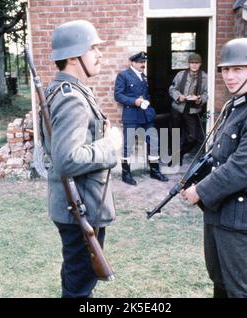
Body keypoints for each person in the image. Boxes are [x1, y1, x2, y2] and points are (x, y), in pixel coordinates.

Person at [180, 38, 247, 298]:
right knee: (220, 282)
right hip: (216, 211)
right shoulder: (233, 106)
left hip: (239, 214)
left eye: (237, 69)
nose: (229, 76)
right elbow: (218, 156)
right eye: (226, 69)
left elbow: (243, 168)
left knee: (242, 290)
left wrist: (200, 191)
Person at [42, 20, 118, 298]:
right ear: (74, 57)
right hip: (80, 207)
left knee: (78, 281)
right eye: (93, 48)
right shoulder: (71, 98)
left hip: (78, 204)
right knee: (80, 288)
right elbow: (67, 159)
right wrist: (110, 146)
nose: (100, 54)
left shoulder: (66, 91)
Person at [114, 51, 168, 185]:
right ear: (132, 62)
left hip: (145, 116)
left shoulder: (143, 77)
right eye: (139, 62)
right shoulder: (123, 75)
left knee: (154, 141)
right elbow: (118, 95)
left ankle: (154, 171)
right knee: (128, 145)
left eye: (144, 62)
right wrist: (134, 101)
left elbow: (147, 95)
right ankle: (126, 174)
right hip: (131, 116)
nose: (142, 64)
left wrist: (147, 104)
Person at [168, 53, 208, 165]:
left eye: (197, 63)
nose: (194, 65)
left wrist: (200, 99)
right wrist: (178, 96)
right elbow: (172, 89)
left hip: (193, 110)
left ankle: (180, 153)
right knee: (175, 133)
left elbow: (206, 94)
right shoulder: (181, 75)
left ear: (200, 64)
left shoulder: (205, 77)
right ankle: (175, 158)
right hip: (177, 108)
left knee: (193, 137)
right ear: (189, 64)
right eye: (192, 63)